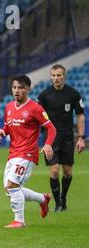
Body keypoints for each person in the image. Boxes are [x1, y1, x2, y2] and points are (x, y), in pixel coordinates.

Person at [0, 75, 57, 229]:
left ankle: (19, 221)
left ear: (28, 89)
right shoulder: (9, 107)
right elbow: (8, 126)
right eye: (15, 87)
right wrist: (3, 131)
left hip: (28, 153)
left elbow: (51, 128)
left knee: (12, 185)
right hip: (13, 153)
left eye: (21, 87)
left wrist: (48, 144)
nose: (17, 91)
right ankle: (43, 199)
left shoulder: (35, 108)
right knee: (9, 190)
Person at [38, 64, 86, 212]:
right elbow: (37, 116)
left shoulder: (73, 94)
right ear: (50, 77)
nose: (56, 78)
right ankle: (57, 203)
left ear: (64, 76)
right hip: (50, 139)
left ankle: (63, 198)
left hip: (67, 137)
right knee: (54, 170)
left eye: (59, 75)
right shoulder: (44, 95)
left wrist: (81, 137)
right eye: (53, 75)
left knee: (67, 172)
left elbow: (80, 115)